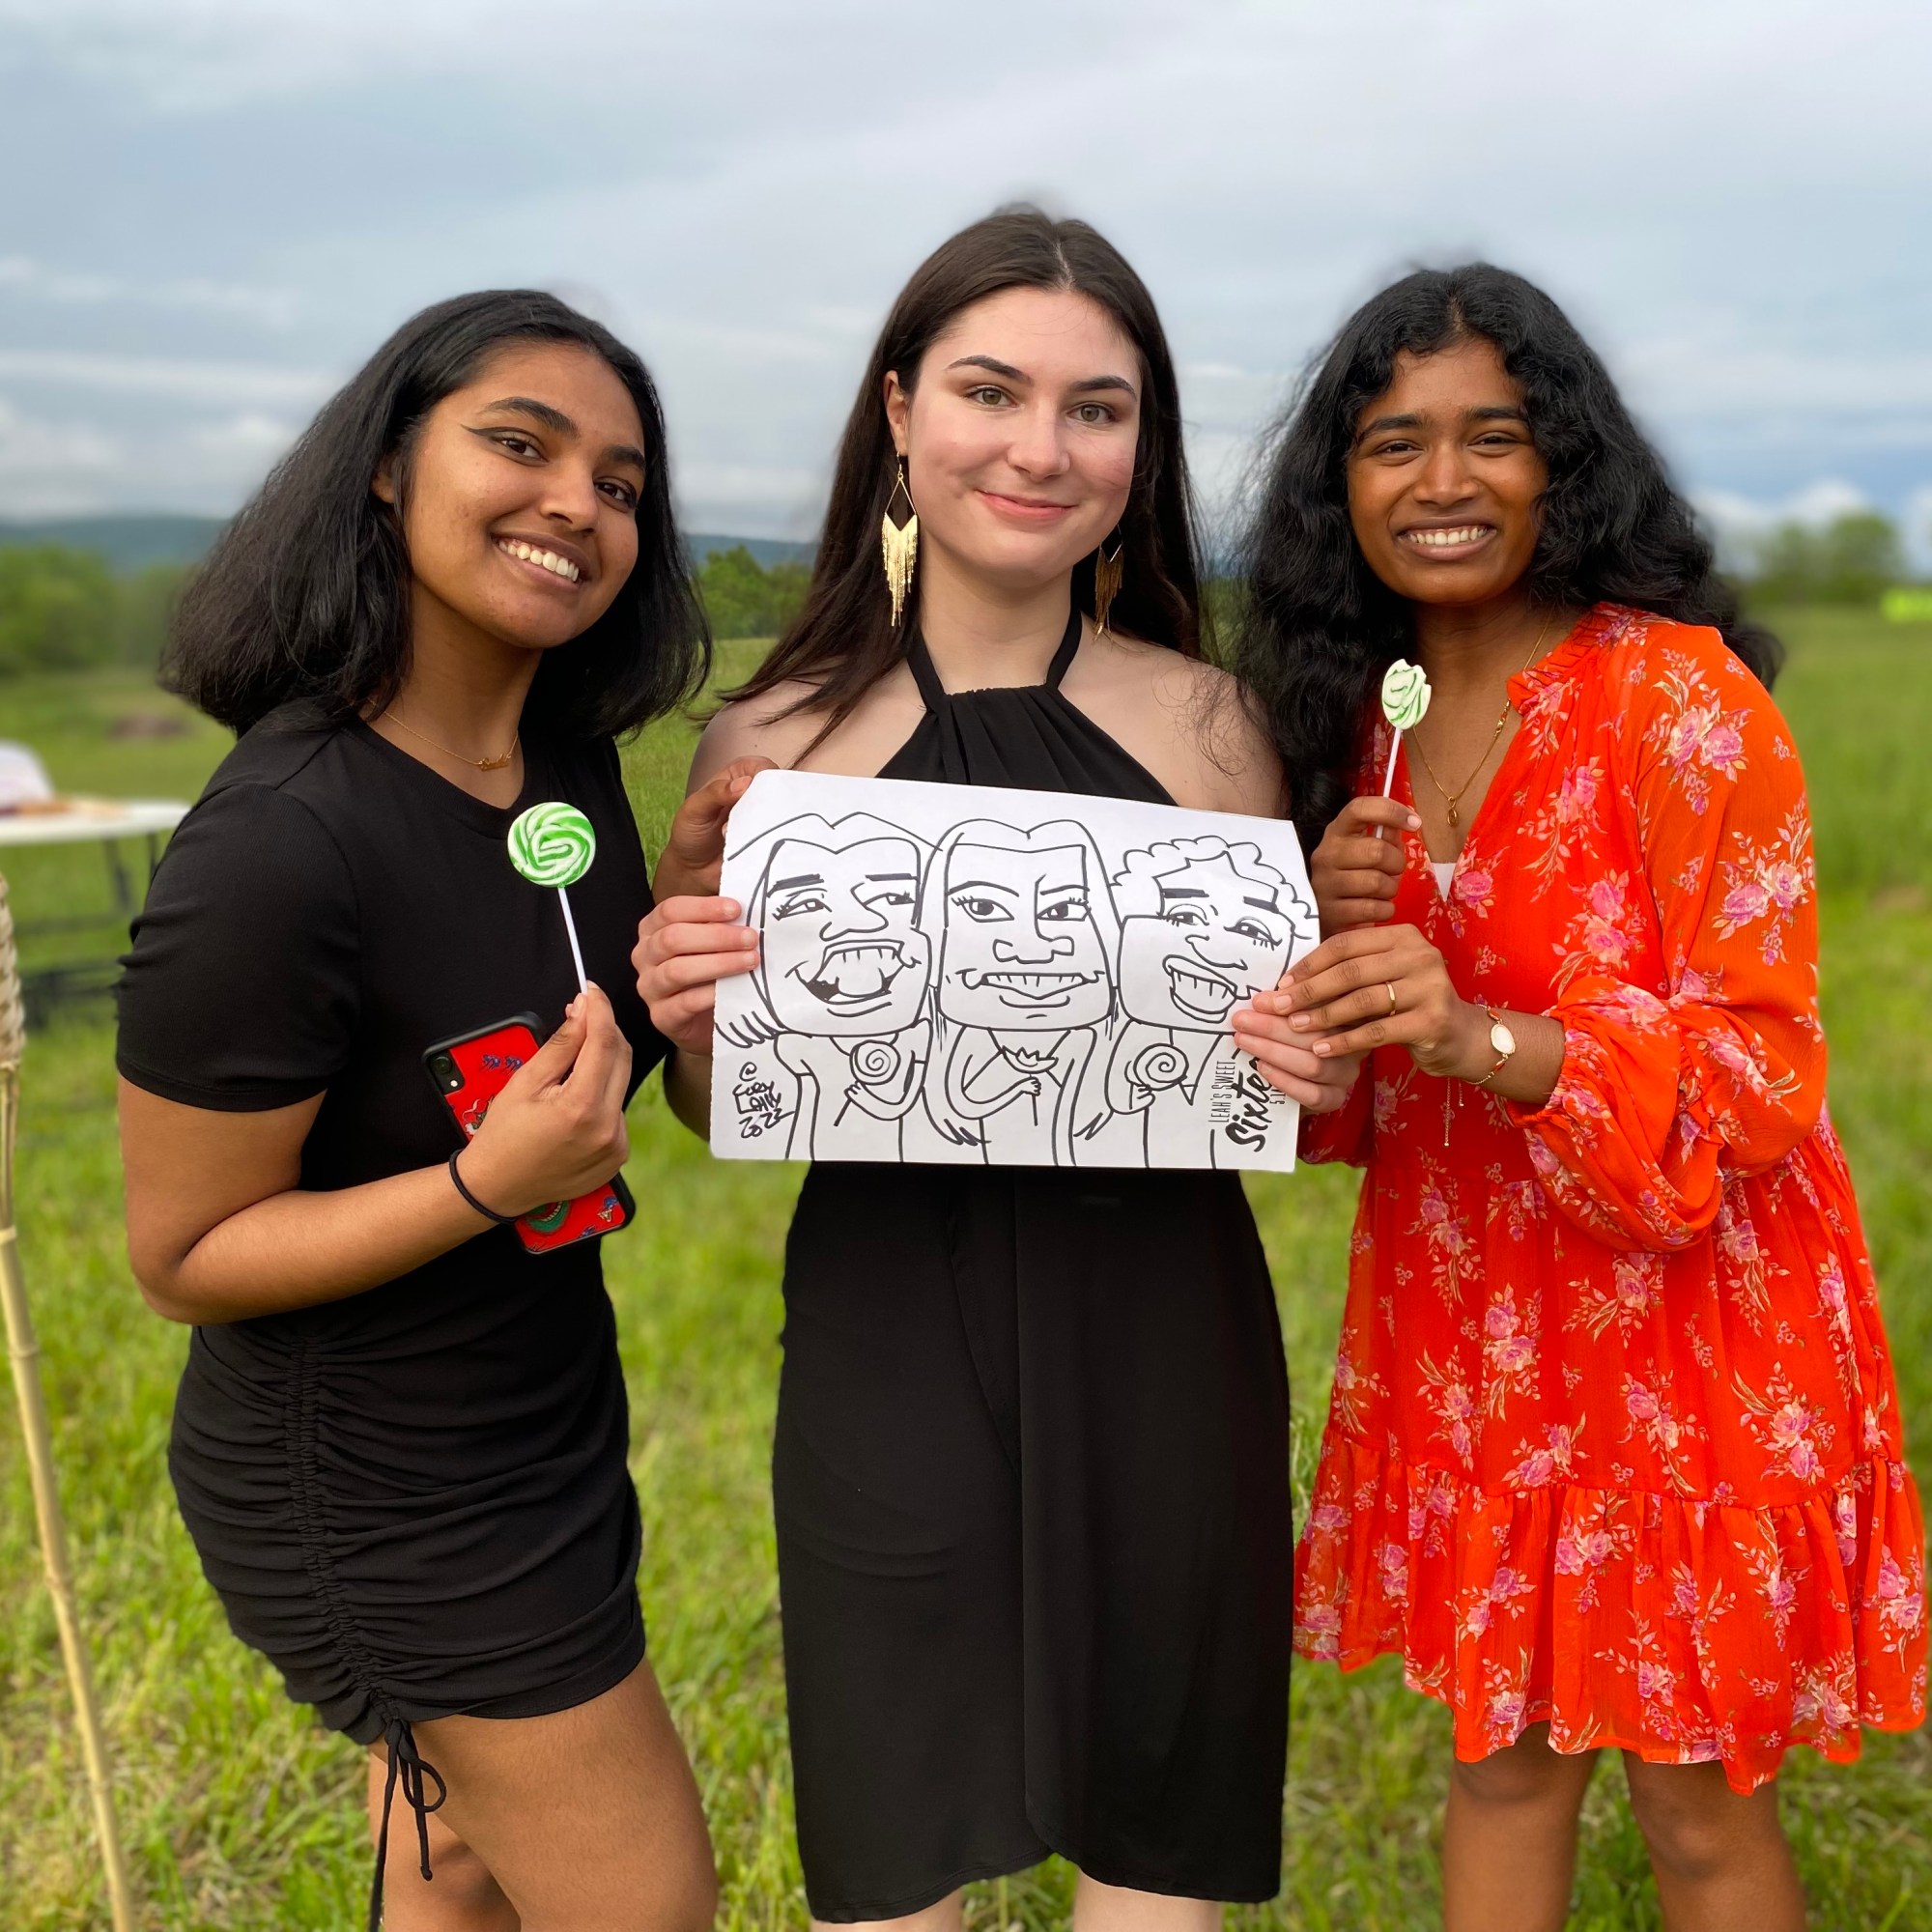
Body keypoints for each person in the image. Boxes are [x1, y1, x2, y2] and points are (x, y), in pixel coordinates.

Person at [632, 207, 1355, 1927]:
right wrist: (693, 1014)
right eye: (990, 391)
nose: (1042, 447)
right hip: (892, 1319)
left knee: (1159, 1811)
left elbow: (1290, 1074)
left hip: (1164, 1319)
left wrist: (1314, 1045)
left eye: (1097, 408)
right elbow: (724, 1092)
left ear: (1141, 446)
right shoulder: (771, 743)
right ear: (898, 412)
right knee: (896, 1820)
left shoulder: (1220, 726)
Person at [1228, 263, 1928, 1932]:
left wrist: (1484, 1036)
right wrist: (1320, 963)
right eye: (1394, 443)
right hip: (1475, 1330)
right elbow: (1337, 1104)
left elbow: (1761, 1069)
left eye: (1497, 437)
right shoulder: (1352, 736)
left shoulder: (1681, 704)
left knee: (1693, 1804)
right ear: (1341, 486)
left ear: (1569, 465)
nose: (1444, 482)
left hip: (1684, 1329)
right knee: (1504, 1767)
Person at [116, 291, 720, 1932]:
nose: (574, 507)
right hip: (381, 1491)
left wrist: (682, 946)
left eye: (619, 481)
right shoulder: (279, 843)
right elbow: (181, 1252)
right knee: (647, 1905)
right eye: (519, 445)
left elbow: (603, 1064)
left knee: (451, 1867)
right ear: (388, 468)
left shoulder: (567, 774)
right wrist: (476, 1185)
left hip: (537, 1431)